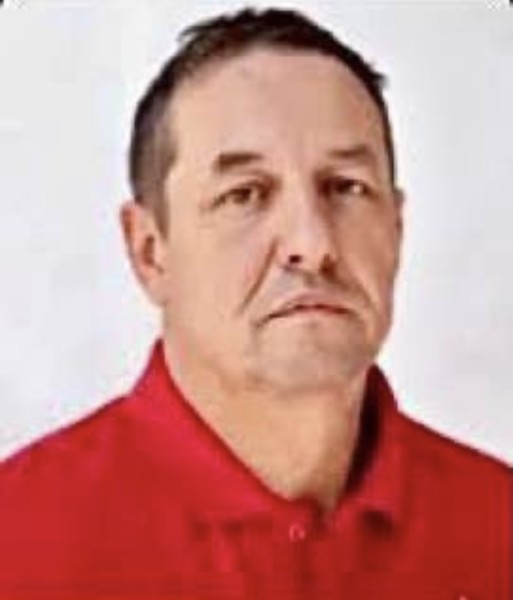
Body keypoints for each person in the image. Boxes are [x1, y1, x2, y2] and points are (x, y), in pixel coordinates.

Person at [0, 7, 510, 600]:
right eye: (245, 194)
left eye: (347, 187)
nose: (313, 245)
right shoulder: (17, 546)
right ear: (150, 251)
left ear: (396, 229)